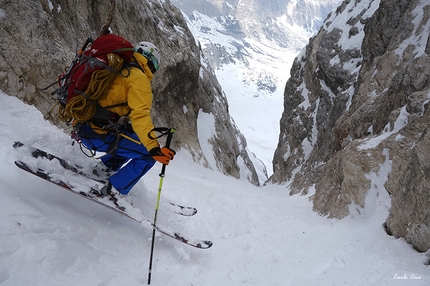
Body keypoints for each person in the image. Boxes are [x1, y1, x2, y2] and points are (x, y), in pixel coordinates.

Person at [76, 41, 175, 196]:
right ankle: (114, 191)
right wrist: (154, 148)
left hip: (85, 124)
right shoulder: (138, 78)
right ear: (151, 63)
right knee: (147, 156)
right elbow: (140, 115)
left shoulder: (118, 66)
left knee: (131, 137)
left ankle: (105, 170)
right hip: (98, 135)